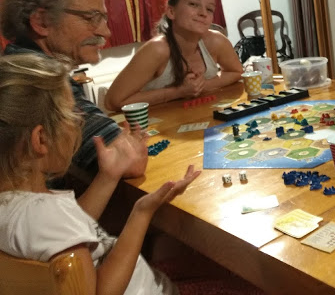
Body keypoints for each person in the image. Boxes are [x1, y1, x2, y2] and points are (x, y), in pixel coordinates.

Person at [0, 53, 200, 294]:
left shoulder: (21, 207)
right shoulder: (45, 212)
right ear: (41, 139)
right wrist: (142, 212)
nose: (79, 121)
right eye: (72, 114)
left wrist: (108, 177)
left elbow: (66, 227)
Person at [0, 0, 147, 176]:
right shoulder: (35, 79)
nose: (105, 32)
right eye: (91, 18)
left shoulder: (18, 62)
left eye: (103, 18)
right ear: (42, 22)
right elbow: (128, 161)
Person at [104, 0, 243, 110]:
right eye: (193, 4)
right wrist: (179, 92)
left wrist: (202, 86)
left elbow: (236, 72)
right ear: (171, 12)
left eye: (210, 9)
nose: (203, 13)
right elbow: (113, 102)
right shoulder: (157, 49)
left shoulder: (216, 41)